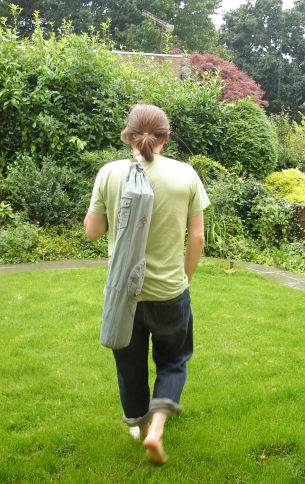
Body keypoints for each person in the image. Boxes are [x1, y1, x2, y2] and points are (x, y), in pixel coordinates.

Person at [84, 104, 210, 465]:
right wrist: (184, 279)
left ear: (127, 136)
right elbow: (197, 238)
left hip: (124, 295)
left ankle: (137, 423)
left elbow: (93, 232)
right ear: (165, 137)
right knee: (173, 360)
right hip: (170, 292)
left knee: (130, 363)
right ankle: (156, 428)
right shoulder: (185, 174)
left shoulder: (109, 173)